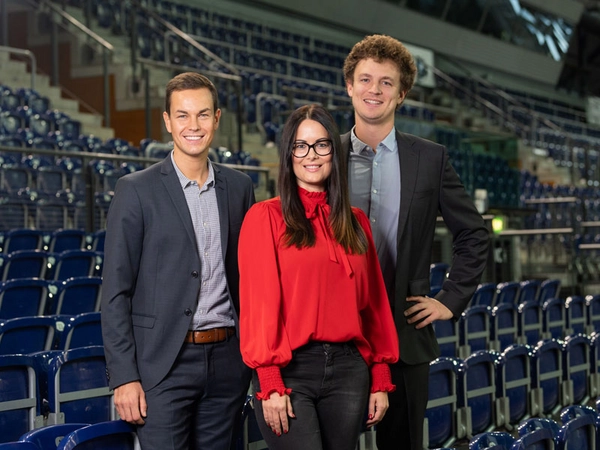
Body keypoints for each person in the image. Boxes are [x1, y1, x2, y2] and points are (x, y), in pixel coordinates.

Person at [342, 34, 490, 450]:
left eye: (386, 82)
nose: (375, 90)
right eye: (366, 79)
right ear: (349, 86)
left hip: (405, 333)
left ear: (402, 93)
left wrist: (450, 297)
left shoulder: (430, 158)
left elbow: (473, 233)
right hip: (336, 336)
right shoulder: (324, 156)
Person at [101, 72, 255, 450]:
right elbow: (115, 292)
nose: (193, 125)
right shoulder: (135, 190)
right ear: (167, 121)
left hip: (227, 361)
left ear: (217, 119)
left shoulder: (239, 188)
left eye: (202, 115)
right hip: (163, 363)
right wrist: (124, 377)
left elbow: (248, 280)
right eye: (182, 115)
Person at [238, 104, 399, 450]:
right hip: (291, 371)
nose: (311, 155)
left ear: (334, 153)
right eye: (301, 146)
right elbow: (259, 307)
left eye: (322, 145)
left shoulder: (355, 223)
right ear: (289, 154)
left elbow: (373, 306)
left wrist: (380, 375)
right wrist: (269, 380)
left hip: (349, 371)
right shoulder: (264, 218)